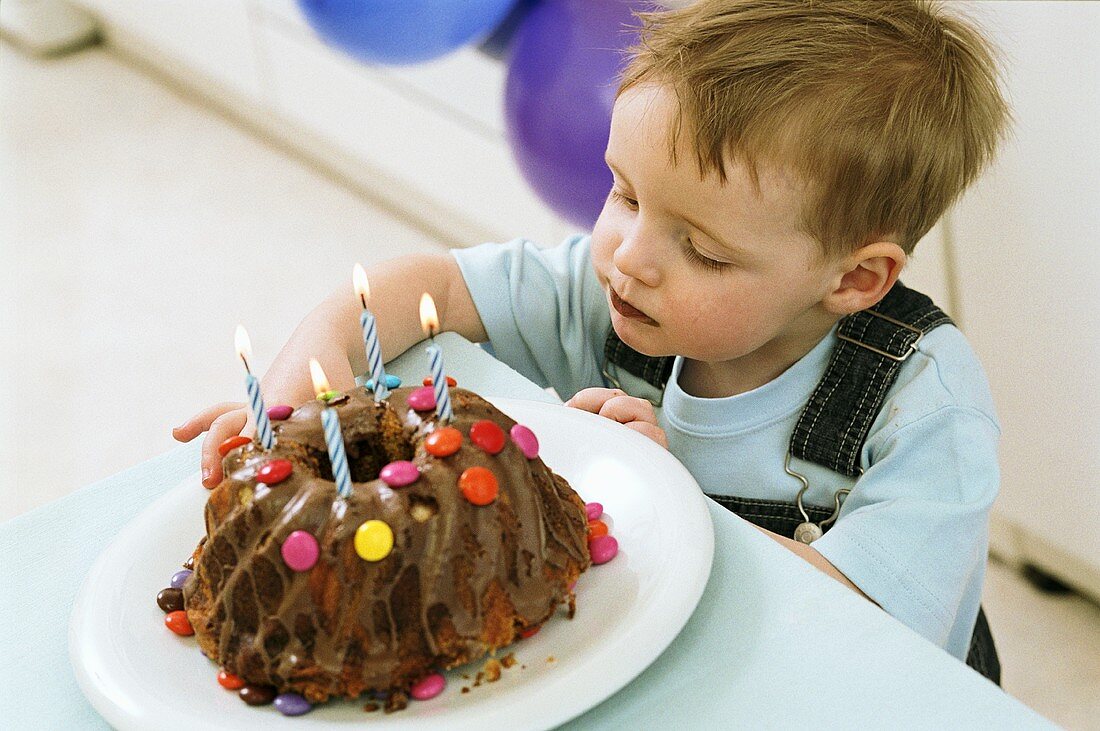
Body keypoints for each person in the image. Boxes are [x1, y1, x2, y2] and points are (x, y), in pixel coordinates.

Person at [174, 0, 1009, 681]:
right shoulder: (615, 284)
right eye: (624, 193)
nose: (628, 257)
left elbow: (862, 630)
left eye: (704, 249)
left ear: (855, 278)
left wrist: (666, 493)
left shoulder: (926, 407)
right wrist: (288, 406)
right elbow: (418, 289)